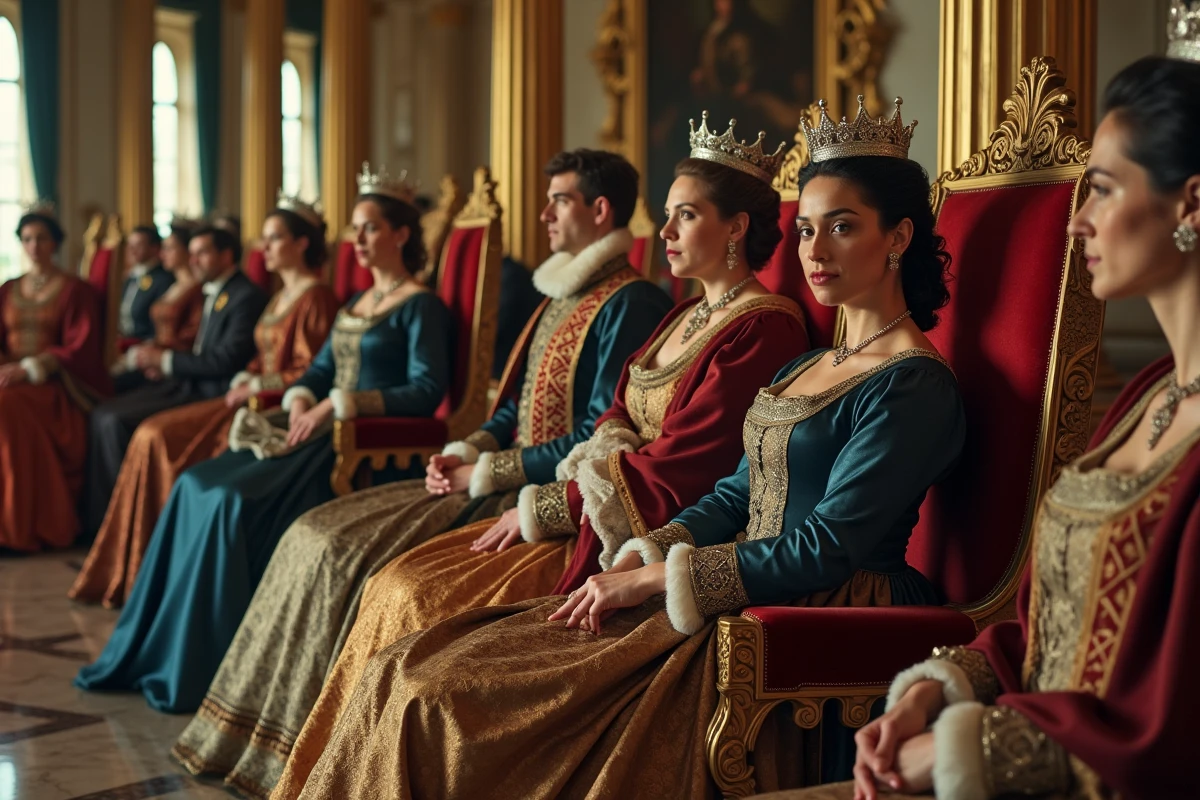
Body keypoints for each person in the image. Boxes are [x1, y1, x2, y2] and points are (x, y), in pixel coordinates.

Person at [273, 99, 968, 799]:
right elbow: (734, 492)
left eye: (842, 228)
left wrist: (657, 579)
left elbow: (826, 546)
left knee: (447, 698)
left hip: (809, 605)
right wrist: (651, 548)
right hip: (716, 578)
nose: (815, 252)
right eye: (809, 230)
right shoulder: (806, 364)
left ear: (899, 236)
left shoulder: (912, 384)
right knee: (415, 662)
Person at [171, 149, 674, 798]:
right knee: (314, 533)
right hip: (492, 475)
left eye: (559, 201)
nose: (544, 214)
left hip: (536, 493)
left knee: (353, 558)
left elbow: (599, 437)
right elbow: (515, 406)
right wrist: (468, 447)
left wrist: (489, 471)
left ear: (599, 210)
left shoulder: (630, 301)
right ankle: (282, 744)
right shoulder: (562, 293)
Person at [824, 53, 1200, 800]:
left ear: (1191, 205)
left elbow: (1172, 733)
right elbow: (1043, 621)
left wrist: (958, 754)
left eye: (1101, 190)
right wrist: (933, 693)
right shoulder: (1151, 395)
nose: (1079, 220)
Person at [75, 167, 453, 714]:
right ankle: (162, 650)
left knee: (229, 501)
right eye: (355, 229)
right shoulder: (354, 305)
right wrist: (301, 395)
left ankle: (209, 662)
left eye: (370, 228)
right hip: (310, 428)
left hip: (353, 440)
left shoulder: (420, 304)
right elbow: (317, 370)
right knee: (193, 484)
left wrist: (336, 405)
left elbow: (425, 389)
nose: (358, 240)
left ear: (400, 234)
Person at [70, 200, 339, 607]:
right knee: (147, 433)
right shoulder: (281, 295)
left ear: (302, 243)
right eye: (263, 239)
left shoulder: (316, 296)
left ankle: (157, 577)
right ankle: (137, 571)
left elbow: (312, 369)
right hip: (245, 393)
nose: (263, 248)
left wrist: (255, 384)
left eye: (274, 238)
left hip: (271, 406)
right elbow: (257, 354)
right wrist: (249, 374)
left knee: (155, 437)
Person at [82, 225, 268, 536]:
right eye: (191, 253)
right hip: (187, 381)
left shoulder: (244, 295)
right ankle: (103, 522)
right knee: (102, 411)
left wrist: (167, 362)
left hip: (212, 392)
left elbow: (225, 361)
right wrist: (164, 362)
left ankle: (125, 526)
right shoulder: (214, 290)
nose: (193, 260)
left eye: (202, 253)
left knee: (114, 421)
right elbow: (197, 348)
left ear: (226, 255)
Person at [0, 206, 110, 551]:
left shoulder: (74, 290)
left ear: (56, 243)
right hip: (9, 378)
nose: (34, 246)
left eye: (42, 238)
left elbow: (81, 346)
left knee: (5, 405)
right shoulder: (8, 289)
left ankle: (18, 528)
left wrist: (31, 368)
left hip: (54, 385)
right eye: (28, 239)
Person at [110, 223, 205, 391]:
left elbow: (191, 337)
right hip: (154, 355)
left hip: (174, 364)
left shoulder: (196, 289)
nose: (162, 254)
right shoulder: (174, 285)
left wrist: (160, 359)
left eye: (169, 248)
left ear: (187, 250)